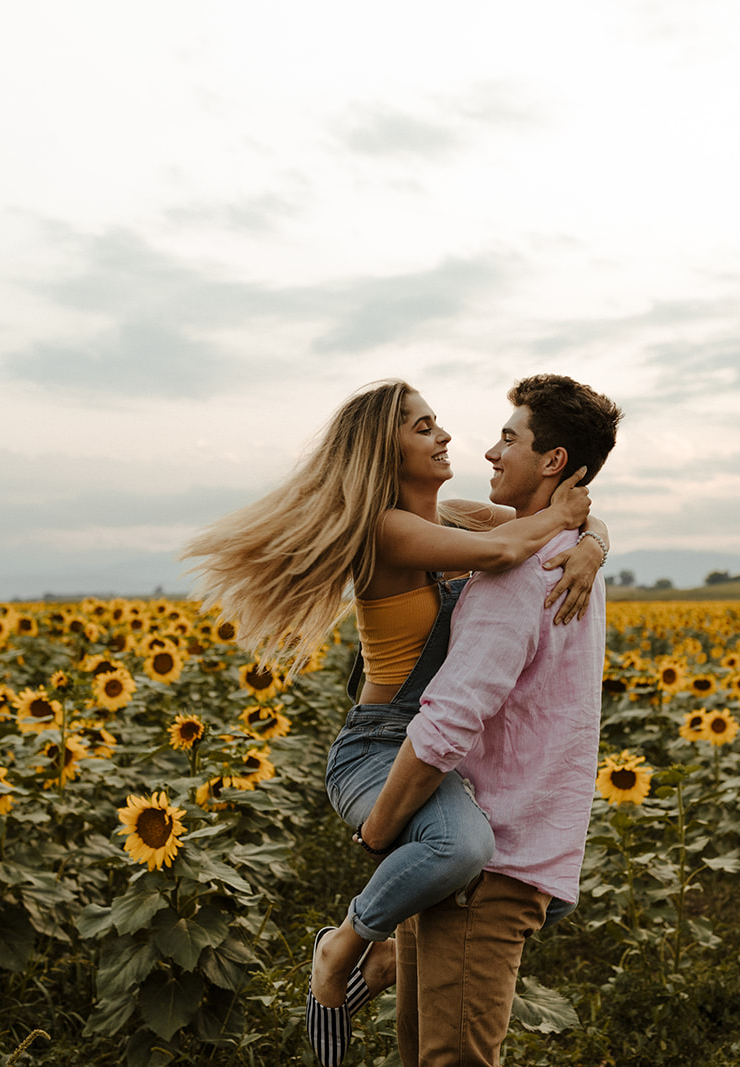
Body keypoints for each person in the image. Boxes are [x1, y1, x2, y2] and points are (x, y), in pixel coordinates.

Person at [177, 378, 611, 1066]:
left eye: (438, 423)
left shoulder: (458, 519)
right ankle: (345, 944)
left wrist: (592, 539)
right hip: (380, 743)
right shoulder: (386, 526)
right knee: (462, 847)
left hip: (426, 748)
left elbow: (545, 532)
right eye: (423, 427)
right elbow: (514, 549)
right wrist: (576, 526)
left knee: (462, 866)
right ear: (385, 449)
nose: (446, 437)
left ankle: (383, 957)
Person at [358, 374, 622, 1065]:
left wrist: (380, 829)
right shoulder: (570, 562)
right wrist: (592, 535)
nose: (489, 452)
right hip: (510, 849)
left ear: (554, 461)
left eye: (509, 438)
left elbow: (445, 724)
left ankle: (346, 946)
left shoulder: (519, 577)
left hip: (488, 863)